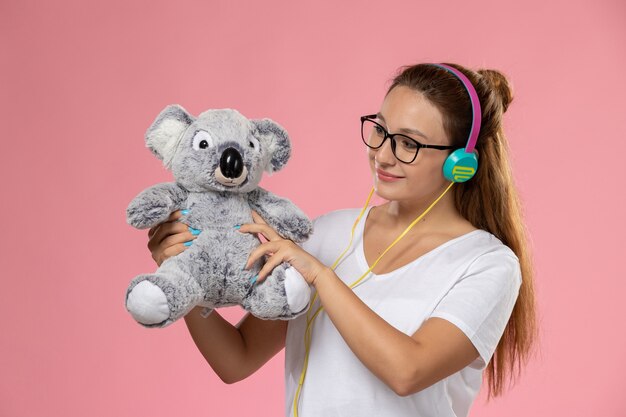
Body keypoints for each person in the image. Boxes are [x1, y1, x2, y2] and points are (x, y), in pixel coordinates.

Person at [146, 62, 537, 417]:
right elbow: (237, 359)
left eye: (408, 143)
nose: (383, 155)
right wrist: (187, 281)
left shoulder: (486, 263)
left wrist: (322, 276)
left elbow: (407, 371)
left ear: (460, 163)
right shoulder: (327, 233)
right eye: (380, 130)